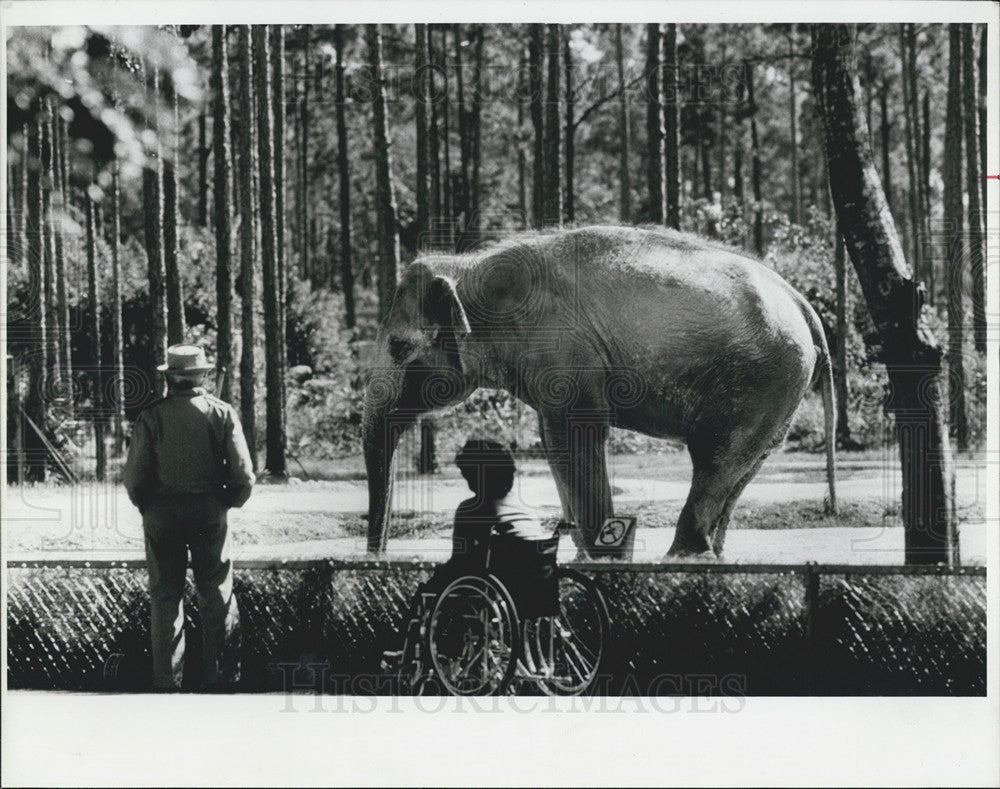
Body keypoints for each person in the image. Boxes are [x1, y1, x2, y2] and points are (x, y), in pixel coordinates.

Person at [123, 344, 255, 691]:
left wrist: (150, 508)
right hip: (209, 512)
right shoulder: (222, 413)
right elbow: (244, 476)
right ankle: (221, 680)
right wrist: (225, 502)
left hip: (161, 514)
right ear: (203, 376)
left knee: (165, 597)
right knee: (217, 593)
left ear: (170, 377)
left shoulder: (151, 416)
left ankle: (167, 683)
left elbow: (135, 478)